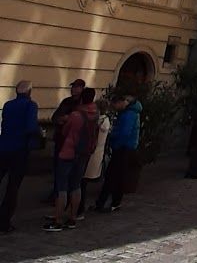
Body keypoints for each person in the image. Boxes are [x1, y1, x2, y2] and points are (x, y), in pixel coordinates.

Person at [46, 86, 99, 231]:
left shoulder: (76, 115)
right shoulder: (95, 113)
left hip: (69, 152)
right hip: (83, 153)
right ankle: (72, 218)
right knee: (76, 186)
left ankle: (57, 220)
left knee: (62, 187)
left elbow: (65, 131)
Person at [0, 79, 41, 233]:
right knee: (13, 186)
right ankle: (4, 221)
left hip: (3, 146)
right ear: (29, 92)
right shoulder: (31, 105)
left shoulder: (8, 105)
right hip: (19, 150)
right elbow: (31, 127)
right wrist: (38, 133)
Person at [94, 93, 141, 212]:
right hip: (125, 148)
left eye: (115, 105)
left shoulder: (129, 114)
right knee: (117, 176)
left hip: (123, 148)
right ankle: (113, 202)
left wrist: (112, 135)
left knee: (112, 176)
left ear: (121, 102)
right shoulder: (129, 112)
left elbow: (124, 133)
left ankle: (104, 203)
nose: (114, 108)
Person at [78, 95, 111, 217]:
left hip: (90, 153)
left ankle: (79, 209)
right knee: (83, 182)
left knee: (81, 182)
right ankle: (79, 208)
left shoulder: (96, 120)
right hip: (96, 153)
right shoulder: (105, 120)